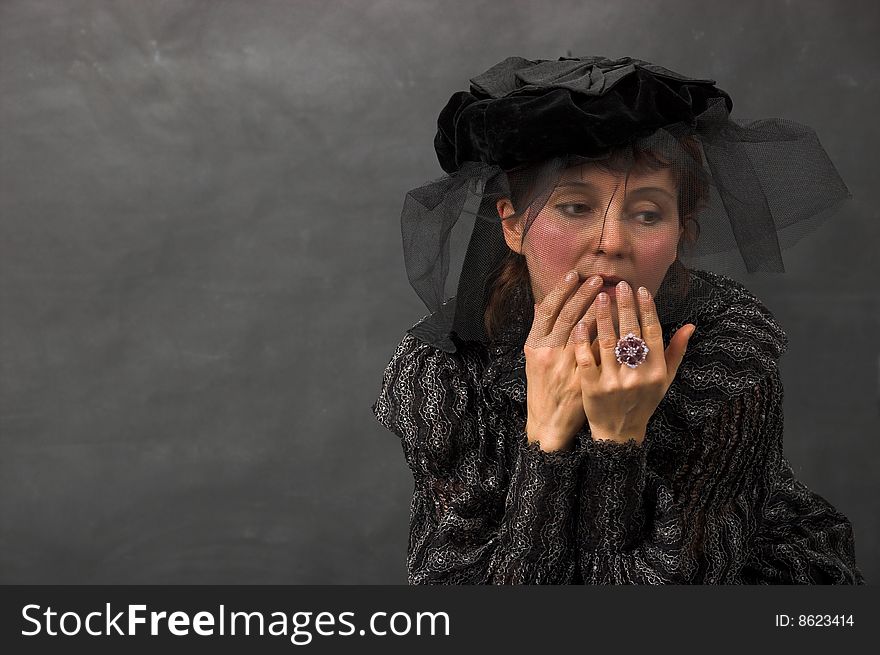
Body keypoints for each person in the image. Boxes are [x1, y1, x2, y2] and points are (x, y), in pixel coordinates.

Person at [371, 55, 865, 584]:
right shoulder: (445, 372)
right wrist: (546, 439)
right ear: (513, 227)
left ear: (681, 232)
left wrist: (618, 441)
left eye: (647, 214)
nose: (612, 241)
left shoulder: (726, 351)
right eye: (575, 208)